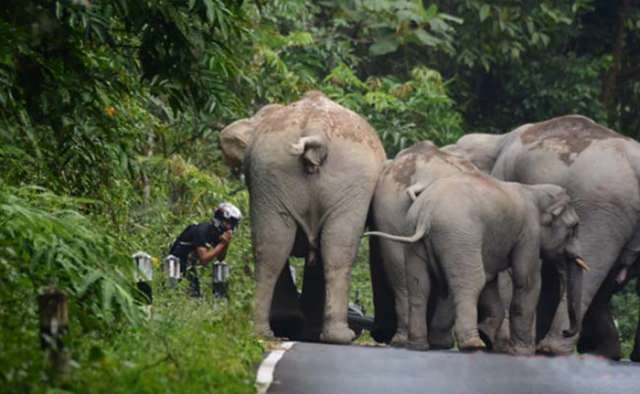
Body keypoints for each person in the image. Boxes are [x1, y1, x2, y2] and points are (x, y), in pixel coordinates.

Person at [168, 202, 242, 298]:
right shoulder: (202, 230)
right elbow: (204, 259)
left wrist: (225, 243)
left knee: (195, 297)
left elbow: (220, 258)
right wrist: (222, 244)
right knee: (176, 296)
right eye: (228, 223)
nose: (230, 227)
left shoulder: (216, 233)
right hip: (176, 265)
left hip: (189, 267)